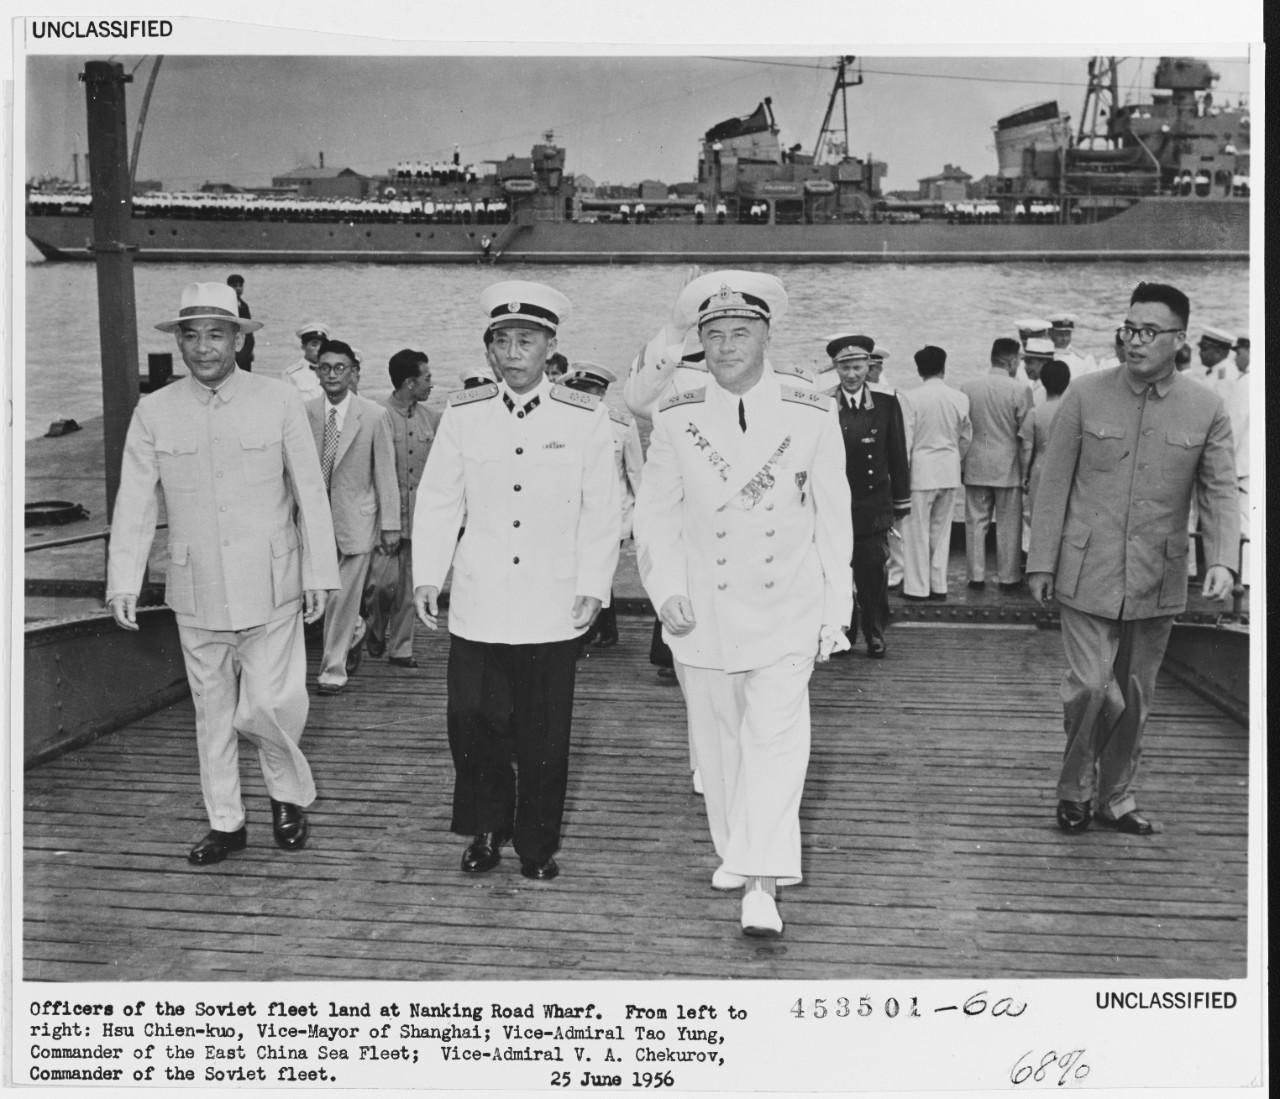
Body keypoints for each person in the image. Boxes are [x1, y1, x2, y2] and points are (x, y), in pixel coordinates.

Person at [633, 272, 853, 938]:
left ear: (766, 336)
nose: (727, 346)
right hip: (703, 608)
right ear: (699, 343)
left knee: (775, 744)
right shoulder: (676, 413)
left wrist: (835, 611)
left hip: (787, 606)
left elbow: (834, 518)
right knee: (719, 746)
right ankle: (737, 848)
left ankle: (762, 883)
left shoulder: (811, 410)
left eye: (741, 332)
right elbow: (655, 515)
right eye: (715, 335)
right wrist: (666, 589)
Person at [106, 282, 339, 864]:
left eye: (216, 334)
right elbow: (135, 502)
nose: (204, 347)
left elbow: (309, 492)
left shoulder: (278, 399)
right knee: (212, 713)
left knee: (271, 704)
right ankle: (226, 822)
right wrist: (123, 582)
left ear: (238, 339)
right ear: (179, 342)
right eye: (192, 335)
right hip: (198, 589)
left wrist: (319, 574)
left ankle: (286, 796)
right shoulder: (155, 411)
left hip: (272, 583)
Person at [412, 281, 620, 882]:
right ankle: (485, 828)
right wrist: (428, 574)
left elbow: (602, 508)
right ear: (488, 349)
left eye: (525, 340)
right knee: (472, 723)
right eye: (500, 341)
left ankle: (536, 842)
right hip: (480, 600)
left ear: (550, 346)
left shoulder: (584, 414)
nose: (511, 353)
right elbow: (439, 499)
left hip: (552, 602)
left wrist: (594, 583)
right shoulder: (464, 413)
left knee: (544, 732)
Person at [1028, 282, 1238, 836]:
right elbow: (1052, 486)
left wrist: (1222, 559)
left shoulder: (1207, 408)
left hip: (1156, 576)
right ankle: (1075, 790)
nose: (1135, 341)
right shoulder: (1084, 395)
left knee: (1137, 696)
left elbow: (1219, 491)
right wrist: (1041, 562)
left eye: (1149, 332)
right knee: (1092, 687)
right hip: (1086, 569)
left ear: (1179, 339)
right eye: (1129, 329)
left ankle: (1115, 796)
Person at [306, 339, 400, 695]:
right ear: (317, 372)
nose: (332, 374)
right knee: (316, 592)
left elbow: (385, 473)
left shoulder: (373, 415)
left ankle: (332, 670)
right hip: (313, 522)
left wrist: (390, 525)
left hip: (357, 521)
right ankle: (357, 630)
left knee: (341, 597)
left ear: (353, 373)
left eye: (340, 368)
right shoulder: (303, 413)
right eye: (325, 368)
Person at [825, 333, 909, 657]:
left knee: (873, 572)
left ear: (868, 366)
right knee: (838, 571)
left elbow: (897, 454)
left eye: (857, 367)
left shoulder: (886, 403)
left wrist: (900, 501)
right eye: (844, 368)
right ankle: (843, 632)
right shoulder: (824, 403)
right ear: (835, 368)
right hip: (835, 504)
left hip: (872, 505)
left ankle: (875, 632)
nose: (851, 375)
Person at [364, 349, 440, 668]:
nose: (431, 384)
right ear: (410, 383)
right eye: (427, 378)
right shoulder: (376, 416)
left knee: (409, 588)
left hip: (419, 519)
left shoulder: (432, 418)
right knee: (379, 585)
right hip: (385, 519)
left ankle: (401, 648)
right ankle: (374, 624)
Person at [562, 361, 643, 652]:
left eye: (590, 391)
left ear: (602, 393)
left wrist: (642, 521)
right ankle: (596, 628)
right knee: (577, 569)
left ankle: (593, 630)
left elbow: (635, 472)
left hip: (612, 514)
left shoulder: (621, 425)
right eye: (580, 390)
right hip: (571, 513)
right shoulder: (562, 423)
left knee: (599, 567)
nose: (585, 397)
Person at [960, 337, 1033, 592]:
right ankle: (1008, 577)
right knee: (1009, 525)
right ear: (1011, 361)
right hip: (1008, 466)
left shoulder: (968, 388)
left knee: (975, 522)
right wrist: (1026, 471)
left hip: (976, 463)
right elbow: (1026, 435)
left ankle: (975, 576)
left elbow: (963, 430)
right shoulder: (1020, 390)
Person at [898, 346, 971, 601]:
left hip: (921, 471)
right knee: (942, 532)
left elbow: (906, 439)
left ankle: (917, 587)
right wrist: (955, 459)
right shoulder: (960, 398)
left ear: (919, 370)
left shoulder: (909, 398)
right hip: (949, 470)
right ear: (943, 368)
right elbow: (966, 437)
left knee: (916, 531)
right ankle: (939, 585)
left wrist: (902, 473)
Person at [1020, 358, 1070, 521]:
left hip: (1041, 468)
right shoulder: (1074, 412)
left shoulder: (1035, 412)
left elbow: (1027, 449)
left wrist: (1024, 476)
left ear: (1043, 381)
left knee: (1039, 518)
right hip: (1067, 469)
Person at [284, 321, 329, 397]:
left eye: (323, 345)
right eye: (314, 345)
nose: (319, 349)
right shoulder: (292, 375)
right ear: (303, 347)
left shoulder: (331, 372)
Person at [1047, 313, 1096, 377]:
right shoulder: (1043, 357)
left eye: (1067, 334)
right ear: (1050, 334)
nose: (1064, 339)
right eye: (1060, 334)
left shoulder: (1084, 359)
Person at [226, 274, 254, 371]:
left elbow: (249, 329)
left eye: (240, 286)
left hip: (245, 345)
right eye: (234, 286)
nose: (238, 288)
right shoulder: (225, 305)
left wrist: (250, 350)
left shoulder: (244, 305)